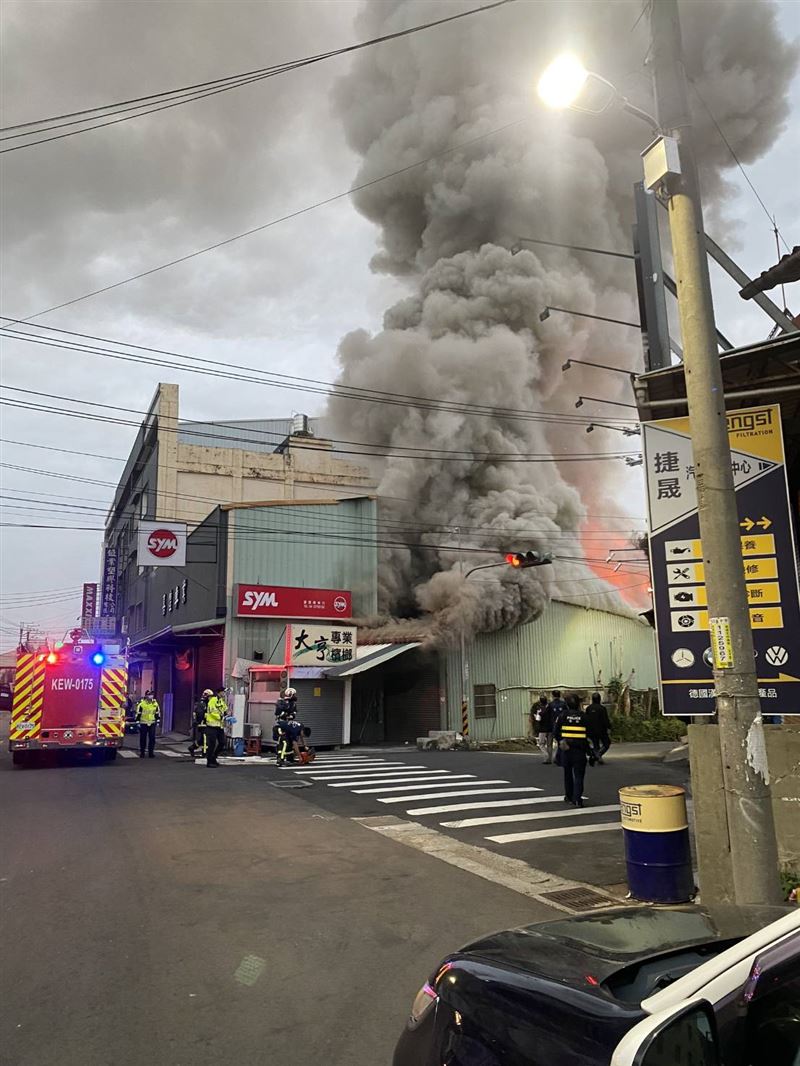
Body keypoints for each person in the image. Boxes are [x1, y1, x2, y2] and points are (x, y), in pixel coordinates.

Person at [554, 693, 590, 807]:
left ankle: (569, 796)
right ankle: (578, 799)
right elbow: (589, 733)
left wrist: (561, 741)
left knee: (567, 774)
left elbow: (556, 732)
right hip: (580, 750)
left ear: (567, 705)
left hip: (567, 750)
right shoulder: (584, 716)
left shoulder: (562, 716)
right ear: (578, 704)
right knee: (579, 775)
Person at [203, 688, 228, 767]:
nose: (224, 693)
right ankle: (209, 761)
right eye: (223, 692)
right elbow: (212, 711)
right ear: (219, 692)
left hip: (219, 726)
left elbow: (225, 709)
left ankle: (214, 757)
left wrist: (228, 714)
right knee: (212, 744)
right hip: (211, 726)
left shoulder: (221, 700)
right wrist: (221, 716)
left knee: (222, 743)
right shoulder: (213, 700)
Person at [585, 692, 611, 764]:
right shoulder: (602, 708)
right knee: (607, 743)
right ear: (599, 699)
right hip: (601, 730)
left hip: (591, 730)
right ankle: (599, 755)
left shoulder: (588, 708)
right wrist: (609, 727)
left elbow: (586, 719)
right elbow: (605, 719)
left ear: (592, 700)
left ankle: (598, 756)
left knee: (596, 744)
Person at [136, 690, 161, 759]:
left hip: (152, 723)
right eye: (149, 695)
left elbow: (157, 712)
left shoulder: (155, 703)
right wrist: (137, 721)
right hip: (143, 723)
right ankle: (142, 753)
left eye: (152, 694)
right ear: (146, 696)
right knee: (143, 739)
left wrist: (158, 720)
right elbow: (138, 713)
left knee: (152, 739)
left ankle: (151, 753)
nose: (151, 696)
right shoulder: (142, 704)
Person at [531, 694, 554, 763]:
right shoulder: (550, 707)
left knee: (541, 743)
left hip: (542, 729)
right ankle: (550, 759)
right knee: (549, 744)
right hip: (550, 728)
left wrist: (536, 716)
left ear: (540, 702)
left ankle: (546, 755)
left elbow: (538, 719)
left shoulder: (539, 710)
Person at [547, 690, 568, 764]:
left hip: (552, 726)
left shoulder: (550, 704)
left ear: (553, 695)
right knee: (560, 742)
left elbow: (548, 716)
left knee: (550, 742)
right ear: (560, 695)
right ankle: (559, 758)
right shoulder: (564, 704)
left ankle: (550, 758)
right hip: (562, 726)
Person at [190, 689, 212, 758]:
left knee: (202, 740)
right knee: (206, 740)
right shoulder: (202, 704)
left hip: (205, 723)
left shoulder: (204, 703)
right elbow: (200, 714)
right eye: (210, 696)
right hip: (203, 724)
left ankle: (192, 747)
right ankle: (205, 753)